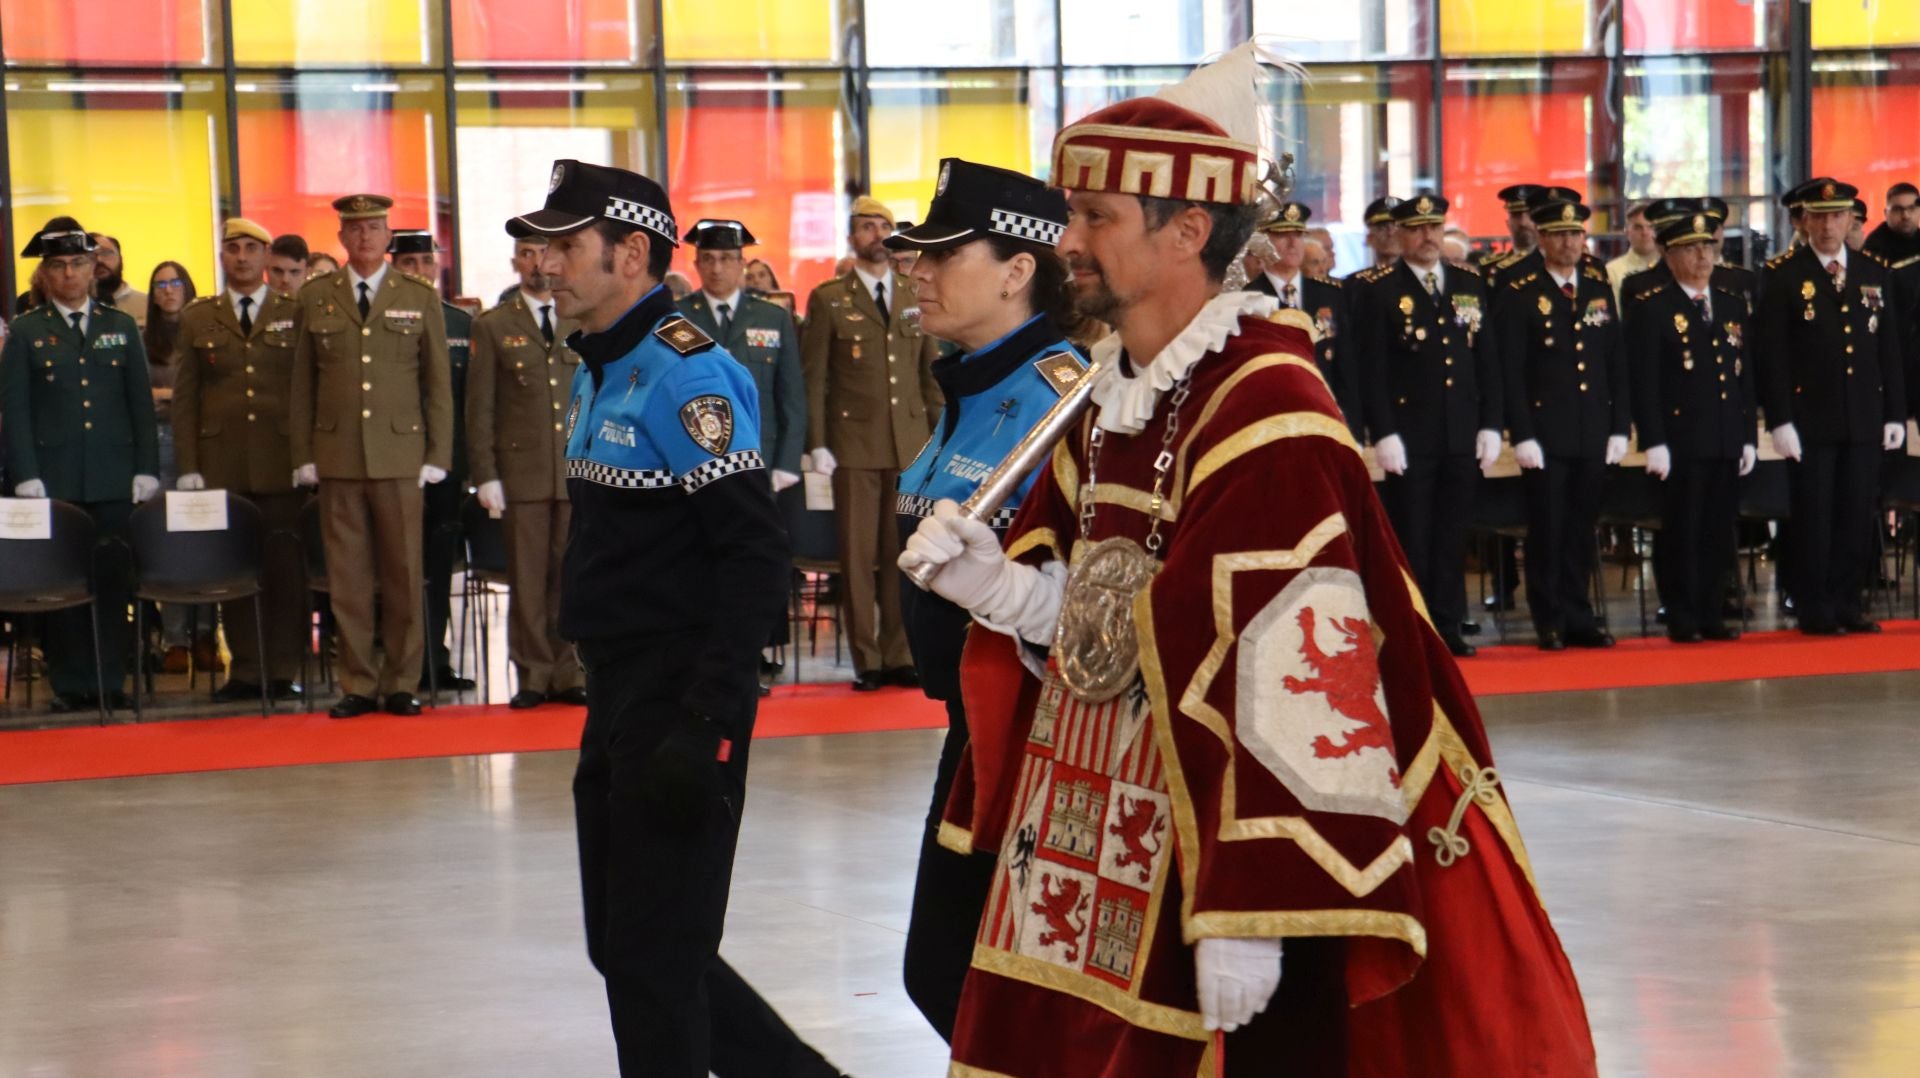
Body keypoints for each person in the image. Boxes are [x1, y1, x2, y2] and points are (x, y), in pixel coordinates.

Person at [902, 46, 1595, 1075]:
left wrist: (1260, 902)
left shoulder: (1269, 401)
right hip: (1103, 833)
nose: (1069, 242)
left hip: (1220, 856)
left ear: (1187, 231)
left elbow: (1302, 669)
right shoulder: (1111, 389)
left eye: (1098, 217)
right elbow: (1122, 613)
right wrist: (1005, 589)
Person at [512, 159, 846, 1078]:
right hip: (617, 685)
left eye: (565, 245)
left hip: (680, 691)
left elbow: (753, 553)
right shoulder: (599, 363)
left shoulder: (685, 375)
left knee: (654, 959)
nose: (546, 263)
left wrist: (707, 717)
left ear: (631, 251)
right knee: (629, 946)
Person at [880, 158, 1084, 1043]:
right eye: (916, 254)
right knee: (949, 975)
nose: (916, 270)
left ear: (1017, 270)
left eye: (943, 253)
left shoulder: (1058, 398)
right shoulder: (968, 383)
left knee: (964, 975)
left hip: (1032, 735)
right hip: (968, 727)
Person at [289, 194, 453, 719]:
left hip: (401, 454)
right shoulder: (316, 296)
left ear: (388, 237)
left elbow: (437, 384)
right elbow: (302, 386)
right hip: (337, 455)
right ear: (341, 238)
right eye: (355, 229)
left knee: (404, 572)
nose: (364, 237)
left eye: (375, 228)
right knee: (349, 577)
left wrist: (437, 452)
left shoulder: (418, 295)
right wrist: (304, 453)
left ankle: (403, 680)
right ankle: (357, 682)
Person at [0, 219, 159, 712]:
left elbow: (140, 405)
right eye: (58, 266)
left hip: (113, 477)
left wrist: (147, 467)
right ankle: (71, 684)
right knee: (64, 584)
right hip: (55, 480)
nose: (68, 274)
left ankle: (110, 680)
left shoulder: (119, 327)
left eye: (77, 263)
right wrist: (25, 473)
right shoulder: (27, 332)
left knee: (113, 582)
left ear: (94, 269)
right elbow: (16, 411)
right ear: (45, 275)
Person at [801, 196, 943, 692]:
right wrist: (817, 443)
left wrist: (937, 438)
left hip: (908, 443)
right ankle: (867, 659)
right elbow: (814, 378)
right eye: (866, 226)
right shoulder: (829, 298)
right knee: (858, 559)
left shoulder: (912, 291)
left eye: (883, 225)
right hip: (854, 444)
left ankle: (899, 652)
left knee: (901, 554)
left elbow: (929, 374)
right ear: (852, 237)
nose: (877, 234)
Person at [1352, 195, 1502, 657]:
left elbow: (1486, 359)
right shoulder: (1378, 288)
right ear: (1398, 234)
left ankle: (1449, 622)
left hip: (1459, 430)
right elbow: (1370, 369)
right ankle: (1412, 627)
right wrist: (1384, 432)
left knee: (1453, 535)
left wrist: (1491, 423)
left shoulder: (1467, 283)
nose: (1429, 236)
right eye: (1417, 228)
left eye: (1435, 226)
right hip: (1410, 434)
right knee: (1413, 534)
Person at [1756, 178, 1907, 635]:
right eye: (1818, 217)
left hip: (1861, 415)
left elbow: (1889, 349)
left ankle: (1847, 602)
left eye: (1837, 216)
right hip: (1810, 418)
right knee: (1814, 517)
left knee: (1856, 514)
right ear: (1803, 221)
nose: (1828, 225)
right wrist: (1780, 419)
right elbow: (1772, 355)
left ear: (1851, 220)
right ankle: (1813, 605)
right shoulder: (1783, 274)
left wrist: (1894, 411)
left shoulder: (1872, 271)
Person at [174, 217, 309, 701]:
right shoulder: (198, 316)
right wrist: (189, 465)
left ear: (267, 256)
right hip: (223, 463)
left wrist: (307, 455)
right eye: (234, 248)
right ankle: (247, 670)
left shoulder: (295, 310)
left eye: (252, 248)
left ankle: (282, 669)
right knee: (236, 569)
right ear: (222, 256)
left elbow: (307, 389)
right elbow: (186, 397)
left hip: (282, 463)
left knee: (284, 572)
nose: (243, 257)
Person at [1497, 197, 1629, 650]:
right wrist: (1523, 433)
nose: (1569, 243)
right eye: (1559, 235)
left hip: (1591, 427)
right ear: (1541, 236)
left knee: (1581, 527)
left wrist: (1618, 426)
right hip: (1545, 430)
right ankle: (1548, 616)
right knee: (1548, 529)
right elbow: (1510, 369)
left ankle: (1579, 614)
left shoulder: (1595, 281)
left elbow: (1615, 360)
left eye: (1576, 235)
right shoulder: (1518, 285)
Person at [467, 227, 586, 709]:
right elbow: (480, 408)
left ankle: (571, 670)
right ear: (515, 262)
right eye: (526, 254)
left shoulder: (581, 317)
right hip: (522, 472)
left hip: (577, 471)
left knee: (572, 575)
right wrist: (486, 474)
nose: (537, 262)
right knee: (529, 577)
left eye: (544, 251)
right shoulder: (494, 325)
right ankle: (534, 673)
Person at [1627, 212, 1757, 643]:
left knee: (1719, 530)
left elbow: (1744, 376)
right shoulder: (1654, 306)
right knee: (1683, 529)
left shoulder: (1730, 302)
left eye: (1708, 247)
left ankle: (1712, 609)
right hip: (1681, 438)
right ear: (1668, 254)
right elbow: (1643, 382)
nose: (1703, 256)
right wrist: (1654, 440)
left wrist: (1748, 436)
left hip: (1724, 436)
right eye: (1691, 248)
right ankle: (1683, 612)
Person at [388, 229, 477, 694]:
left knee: (438, 569)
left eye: (426, 262)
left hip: (445, 466)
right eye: (408, 263)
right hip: (392, 462)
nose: (419, 272)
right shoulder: (382, 319)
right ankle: (399, 661)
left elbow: (470, 404)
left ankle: (434, 660)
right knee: (395, 567)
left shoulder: (460, 324)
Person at [678, 220, 806, 492]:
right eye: (708, 259)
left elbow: (791, 395)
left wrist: (787, 462)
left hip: (760, 453)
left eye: (725, 259)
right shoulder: (679, 317)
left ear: (741, 263)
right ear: (697, 264)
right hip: (693, 457)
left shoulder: (772, 316)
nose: (716, 268)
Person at [142, 259, 210, 674]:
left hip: (202, 442)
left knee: (203, 541)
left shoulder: (205, 329)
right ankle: (175, 639)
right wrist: (171, 394)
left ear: (188, 287)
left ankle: (204, 634)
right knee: (170, 546)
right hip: (160, 443)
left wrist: (170, 394)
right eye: (160, 284)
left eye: (174, 282)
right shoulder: (140, 338)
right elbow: (139, 394)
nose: (168, 290)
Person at [1249, 202, 1360, 434]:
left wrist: (1353, 430)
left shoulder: (1329, 295)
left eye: (1298, 234)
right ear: (1262, 243)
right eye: (1282, 234)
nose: (1292, 243)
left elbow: (1346, 366)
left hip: (1326, 418)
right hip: (1272, 422)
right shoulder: (1247, 299)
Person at [89, 232, 149, 329]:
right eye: (91, 255)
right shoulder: (76, 306)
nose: (99, 260)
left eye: (106, 253)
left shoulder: (147, 304)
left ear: (121, 259)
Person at [1606, 202, 1659, 303]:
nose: (1645, 232)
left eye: (1650, 227)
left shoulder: (1672, 267)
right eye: (1638, 227)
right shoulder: (1612, 271)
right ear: (1627, 232)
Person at [1862, 182, 1920, 262]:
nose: (1906, 216)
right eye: (1897, 210)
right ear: (1886, 214)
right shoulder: (1874, 248)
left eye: (1911, 208)